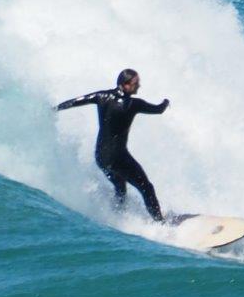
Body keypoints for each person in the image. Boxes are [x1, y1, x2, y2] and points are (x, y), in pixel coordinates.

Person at [55, 68, 169, 222]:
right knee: (146, 187)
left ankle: (118, 216)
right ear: (125, 84)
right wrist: (166, 102)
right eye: (136, 83)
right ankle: (160, 222)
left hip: (101, 157)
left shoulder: (101, 96)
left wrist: (54, 109)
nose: (139, 86)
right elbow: (158, 110)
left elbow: (75, 102)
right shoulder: (134, 104)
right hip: (118, 157)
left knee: (120, 186)